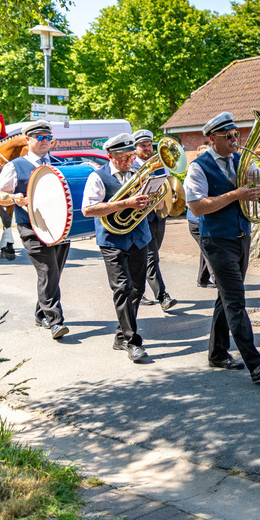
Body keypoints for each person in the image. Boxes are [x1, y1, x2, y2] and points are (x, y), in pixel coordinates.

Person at [184, 112, 260, 382]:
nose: (234, 140)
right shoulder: (199, 166)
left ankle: (217, 352)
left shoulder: (242, 161)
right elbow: (196, 205)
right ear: (212, 138)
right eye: (228, 136)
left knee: (226, 297)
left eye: (236, 134)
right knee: (235, 299)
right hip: (216, 239)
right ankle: (255, 362)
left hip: (241, 235)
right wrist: (235, 195)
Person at [0, 121, 70, 339]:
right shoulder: (15, 165)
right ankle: (55, 321)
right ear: (28, 140)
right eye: (39, 137)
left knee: (53, 273)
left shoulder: (59, 163)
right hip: (31, 227)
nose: (45, 141)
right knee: (47, 270)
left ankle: (40, 314)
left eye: (48, 137)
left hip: (60, 227)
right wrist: (12, 197)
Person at [81, 133, 153, 362]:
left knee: (137, 290)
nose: (128, 161)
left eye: (131, 156)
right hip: (113, 240)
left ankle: (121, 335)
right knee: (122, 288)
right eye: (123, 157)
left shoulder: (139, 174)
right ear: (110, 156)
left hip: (139, 237)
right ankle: (133, 342)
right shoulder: (97, 177)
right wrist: (125, 203)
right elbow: (88, 210)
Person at [132, 129, 177, 312]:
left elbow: (166, 186)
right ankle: (163, 297)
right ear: (135, 147)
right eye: (143, 146)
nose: (147, 148)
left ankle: (136, 289)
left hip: (158, 215)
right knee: (152, 258)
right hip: (142, 217)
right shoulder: (132, 165)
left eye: (149, 145)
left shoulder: (160, 164)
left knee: (150, 256)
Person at [188, 145, 214, 288]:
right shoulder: (195, 173)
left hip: (205, 219)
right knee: (209, 250)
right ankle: (218, 280)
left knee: (205, 249)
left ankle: (202, 280)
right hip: (196, 221)